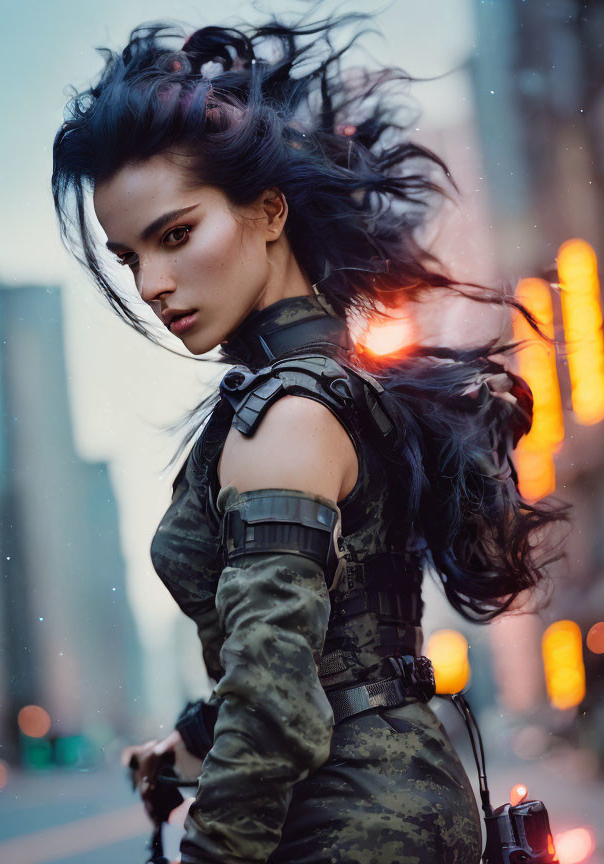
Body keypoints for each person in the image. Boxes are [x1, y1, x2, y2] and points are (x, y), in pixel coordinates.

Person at [51, 10, 568, 863]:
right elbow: (327, 654)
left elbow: (275, 710)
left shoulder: (285, 420)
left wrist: (211, 854)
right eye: (129, 256)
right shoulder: (347, 393)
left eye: (177, 235)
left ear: (268, 212)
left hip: (345, 827)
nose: (153, 283)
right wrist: (179, 751)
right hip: (412, 803)